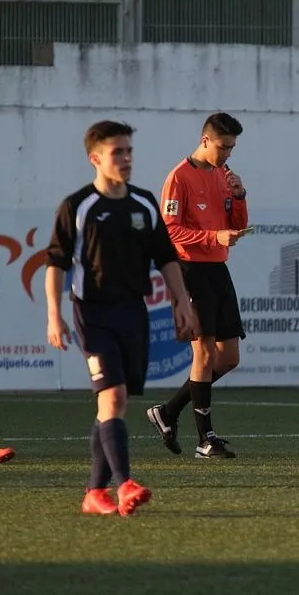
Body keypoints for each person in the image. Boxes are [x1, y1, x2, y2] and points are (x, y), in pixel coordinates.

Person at [44, 120, 196, 515]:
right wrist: (54, 316)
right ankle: (124, 483)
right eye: (118, 152)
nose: (127, 158)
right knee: (113, 396)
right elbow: (56, 264)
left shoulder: (144, 203)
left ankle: (94, 493)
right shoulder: (78, 206)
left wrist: (182, 302)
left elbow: (166, 257)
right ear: (95, 158)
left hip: (133, 311)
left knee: (114, 404)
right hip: (91, 314)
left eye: (129, 151)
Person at [146, 113, 249, 460]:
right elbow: (170, 231)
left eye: (232, 148)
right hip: (189, 269)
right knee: (203, 353)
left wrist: (239, 196)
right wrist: (213, 236)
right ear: (206, 140)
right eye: (223, 147)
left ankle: (168, 412)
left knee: (229, 358)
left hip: (218, 269)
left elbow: (237, 223)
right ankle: (207, 439)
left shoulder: (223, 175)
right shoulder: (179, 177)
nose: (228, 155)